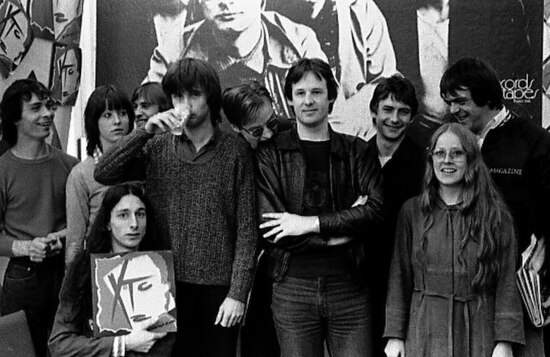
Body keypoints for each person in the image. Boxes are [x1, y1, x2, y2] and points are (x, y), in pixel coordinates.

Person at [95, 57, 258, 357]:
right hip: (160, 284)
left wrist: (238, 293)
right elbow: (103, 171)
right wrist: (144, 131)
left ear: (210, 97)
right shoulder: (156, 147)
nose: (186, 104)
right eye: (178, 96)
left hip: (218, 291)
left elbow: (247, 231)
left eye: (194, 95)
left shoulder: (236, 151)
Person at [255, 57, 384, 356]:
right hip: (292, 288)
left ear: (332, 98)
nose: (308, 100)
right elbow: (272, 228)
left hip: (349, 287)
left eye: (317, 92)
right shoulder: (271, 154)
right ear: (289, 100)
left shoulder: (357, 150)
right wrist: (340, 232)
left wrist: (309, 223)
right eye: (300, 93)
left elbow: (376, 211)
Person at [440, 57, 550, 356]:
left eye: (461, 101)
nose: (453, 110)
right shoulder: (449, 142)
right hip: (462, 290)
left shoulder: (533, 140)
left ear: (487, 96)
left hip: (516, 291)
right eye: (449, 102)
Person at [384, 123, 524, 357]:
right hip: (425, 328)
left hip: (480, 328)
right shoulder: (412, 212)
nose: (446, 160)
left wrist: (505, 341)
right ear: (431, 160)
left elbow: (507, 281)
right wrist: (395, 335)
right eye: (439, 153)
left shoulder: (495, 216)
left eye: (457, 153)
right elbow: (399, 278)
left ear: (471, 160)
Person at [144, 0, 327, 121]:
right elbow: (145, 120)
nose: (226, 2)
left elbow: (330, 117)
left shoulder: (298, 42)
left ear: (262, 2)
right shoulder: (173, 53)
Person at [0, 79, 79, 357]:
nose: (47, 114)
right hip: (23, 278)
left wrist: (64, 236)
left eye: (48, 106)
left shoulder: (71, 166)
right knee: (20, 350)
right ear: (15, 120)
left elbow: (87, 222)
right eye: (36, 108)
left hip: (66, 272)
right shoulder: (3, 169)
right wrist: (25, 247)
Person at [49, 182, 175, 356]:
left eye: (140, 214)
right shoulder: (83, 271)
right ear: (107, 222)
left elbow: (168, 339)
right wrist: (123, 343)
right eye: (123, 215)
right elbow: (59, 344)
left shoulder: (159, 269)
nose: (134, 224)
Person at [268, 0, 398, 139]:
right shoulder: (268, 22)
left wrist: (352, 114)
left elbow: (387, 83)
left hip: (361, 140)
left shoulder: (362, 9)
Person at [221, 80, 282, 357]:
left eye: (273, 123)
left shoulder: (288, 135)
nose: (269, 134)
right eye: (257, 131)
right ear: (236, 128)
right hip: (250, 271)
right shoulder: (232, 157)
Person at [367, 74, 424, 356]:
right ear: (373, 111)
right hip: (362, 277)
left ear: (412, 117)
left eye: (403, 112)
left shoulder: (424, 163)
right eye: (387, 110)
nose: (394, 118)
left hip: (406, 279)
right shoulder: (357, 157)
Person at [65, 85, 135, 267]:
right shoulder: (81, 174)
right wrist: (72, 286)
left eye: (123, 113)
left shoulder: (143, 163)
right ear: (94, 122)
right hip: (101, 267)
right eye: (107, 115)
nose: (117, 121)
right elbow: (75, 240)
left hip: (143, 265)